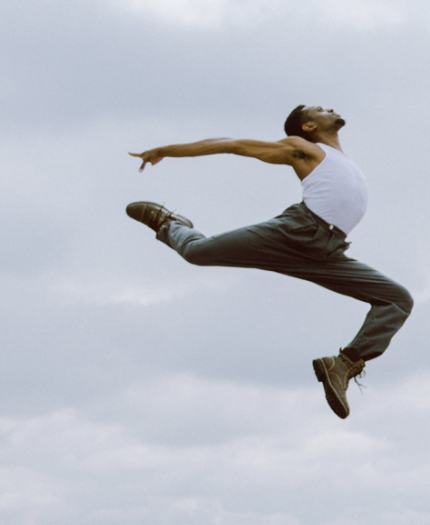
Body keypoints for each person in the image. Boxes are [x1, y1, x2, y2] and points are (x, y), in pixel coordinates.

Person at [124, 106, 413, 419]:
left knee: (397, 299)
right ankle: (170, 224)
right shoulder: (303, 148)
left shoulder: (344, 161)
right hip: (297, 232)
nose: (329, 108)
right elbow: (232, 144)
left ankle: (343, 364)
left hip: (326, 250)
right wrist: (166, 150)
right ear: (308, 126)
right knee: (197, 253)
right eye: (319, 109)